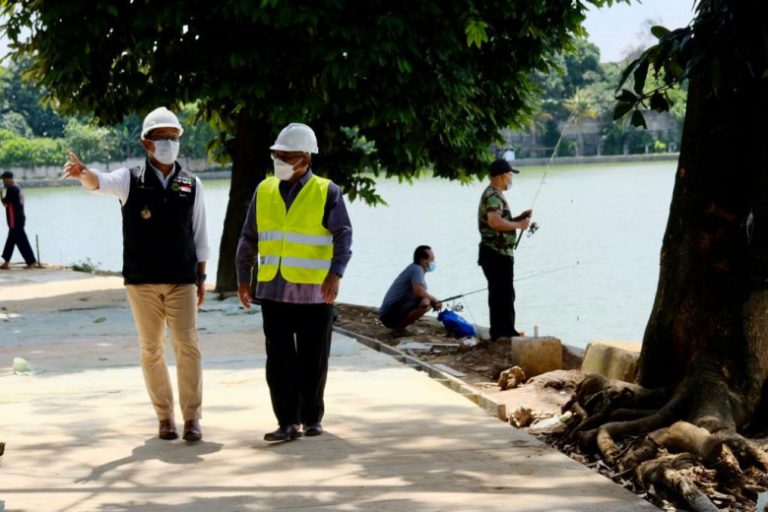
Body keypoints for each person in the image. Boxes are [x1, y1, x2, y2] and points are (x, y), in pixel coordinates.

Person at [62, 106, 209, 442]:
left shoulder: (192, 184)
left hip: (182, 279)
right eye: (162, 138)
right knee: (151, 348)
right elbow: (100, 183)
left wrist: (202, 278)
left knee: (188, 345)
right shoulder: (130, 180)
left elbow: (200, 234)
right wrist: (84, 173)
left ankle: (192, 418)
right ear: (147, 144)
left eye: (173, 138)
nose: (169, 144)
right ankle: (165, 417)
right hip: (142, 282)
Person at [236, 123, 352, 443]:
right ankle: (287, 421)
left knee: (313, 360)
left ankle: (311, 417)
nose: (281, 161)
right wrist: (243, 278)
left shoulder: (327, 192)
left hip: (315, 291)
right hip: (273, 289)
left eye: (288, 156)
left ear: (305, 159)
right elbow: (249, 237)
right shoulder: (265, 190)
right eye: (278, 155)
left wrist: (335, 274)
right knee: (279, 361)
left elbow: (344, 236)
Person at [477, 159, 532, 341]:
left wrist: (517, 218)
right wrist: (519, 224)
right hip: (496, 253)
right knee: (503, 294)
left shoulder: (494, 194)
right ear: (502, 176)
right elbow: (494, 222)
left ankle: (504, 331)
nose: (510, 179)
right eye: (509, 175)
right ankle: (503, 334)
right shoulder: (493, 195)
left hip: (497, 253)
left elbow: (499, 221)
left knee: (503, 293)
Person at [379, 245, 442, 335]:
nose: (433, 262)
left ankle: (398, 328)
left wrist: (433, 301)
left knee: (427, 300)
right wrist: (435, 300)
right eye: (431, 259)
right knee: (426, 302)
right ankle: (399, 329)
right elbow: (419, 292)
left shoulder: (415, 269)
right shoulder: (417, 270)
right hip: (388, 315)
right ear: (423, 261)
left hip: (389, 313)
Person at [0, 171, 38, 269]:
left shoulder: (11, 189)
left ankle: (31, 261)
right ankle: (6, 262)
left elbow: (5, 203)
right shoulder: (17, 187)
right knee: (11, 240)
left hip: (14, 220)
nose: (3, 182)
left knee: (21, 241)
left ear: (8, 179)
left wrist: (0, 194)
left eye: (3, 180)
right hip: (19, 218)